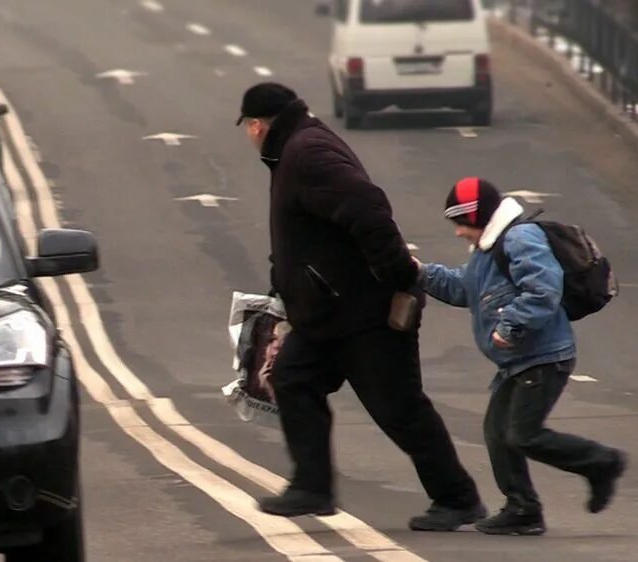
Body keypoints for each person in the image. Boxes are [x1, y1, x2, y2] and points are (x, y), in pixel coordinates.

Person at [237, 82, 484, 530]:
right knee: (292, 379)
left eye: (248, 129)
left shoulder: (306, 152)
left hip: (364, 314)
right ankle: (312, 488)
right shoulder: (295, 148)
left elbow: (367, 205)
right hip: (327, 314)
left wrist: (398, 276)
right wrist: (283, 286)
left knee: (399, 409)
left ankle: (457, 497)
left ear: (257, 125)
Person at [415, 177, 627, 535]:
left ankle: (601, 463)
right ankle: (522, 509)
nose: (458, 233)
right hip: (519, 361)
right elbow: (462, 287)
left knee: (523, 434)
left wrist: (508, 327)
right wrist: (419, 272)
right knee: (498, 433)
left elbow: (543, 291)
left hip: (544, 356)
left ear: (478, 216)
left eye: (461, 223)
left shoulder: (519, 239)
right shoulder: (488, 249)